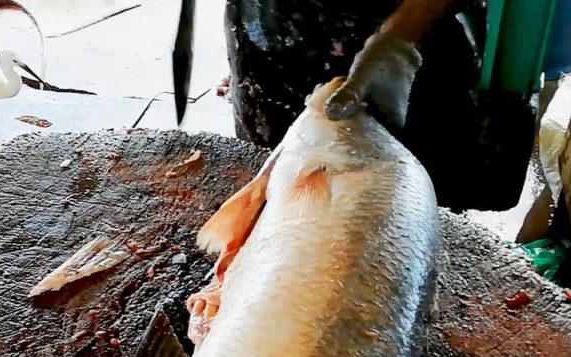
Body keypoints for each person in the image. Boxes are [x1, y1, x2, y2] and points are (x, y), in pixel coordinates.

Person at [223, 0, 534, 212]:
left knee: (399, 211)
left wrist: (402, 38)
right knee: (272, 202)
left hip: (415, 34)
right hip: (270, 29)